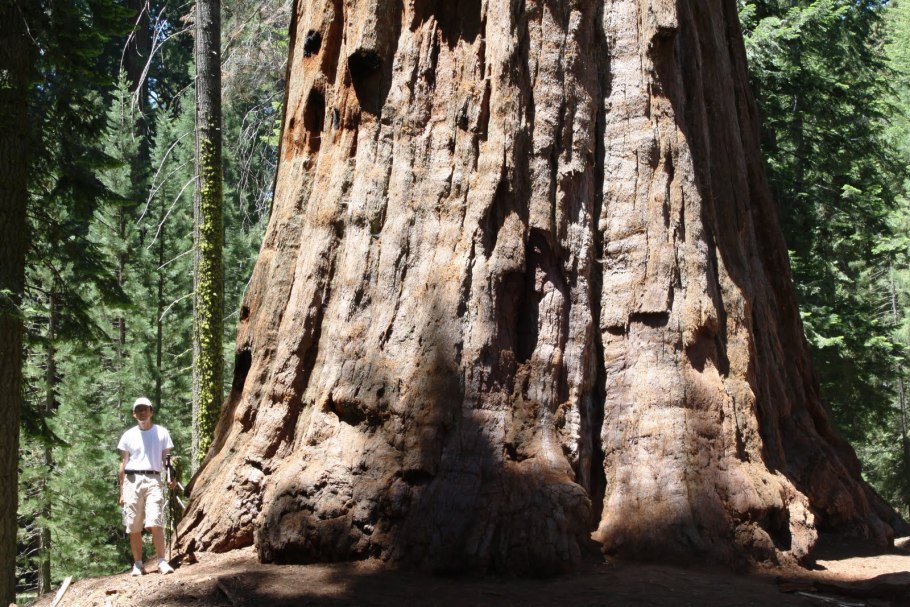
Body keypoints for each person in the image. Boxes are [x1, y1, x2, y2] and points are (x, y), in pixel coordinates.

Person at [118, 396, 176, 576]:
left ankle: (161, 561)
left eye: (145, 409)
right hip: (132, 480)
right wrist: (121, 492)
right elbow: (123, 464)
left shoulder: (161, 432)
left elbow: (167, 459)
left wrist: (170, 477)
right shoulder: (128, 435)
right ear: (134, 414)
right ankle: (138, 564)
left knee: (155, 520)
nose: (142, 412)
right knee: (133, 524)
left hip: (153, 479)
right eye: (139, 410)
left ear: (151, 411)